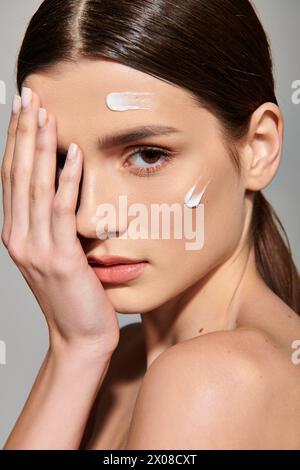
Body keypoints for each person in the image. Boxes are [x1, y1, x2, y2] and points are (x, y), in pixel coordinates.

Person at [1, 0, 300, 450]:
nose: (89, 218)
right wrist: (76, 347)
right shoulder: (122, 361)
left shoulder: (212, 381)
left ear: (258, 148)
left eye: (147, 155)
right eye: (63, 162)